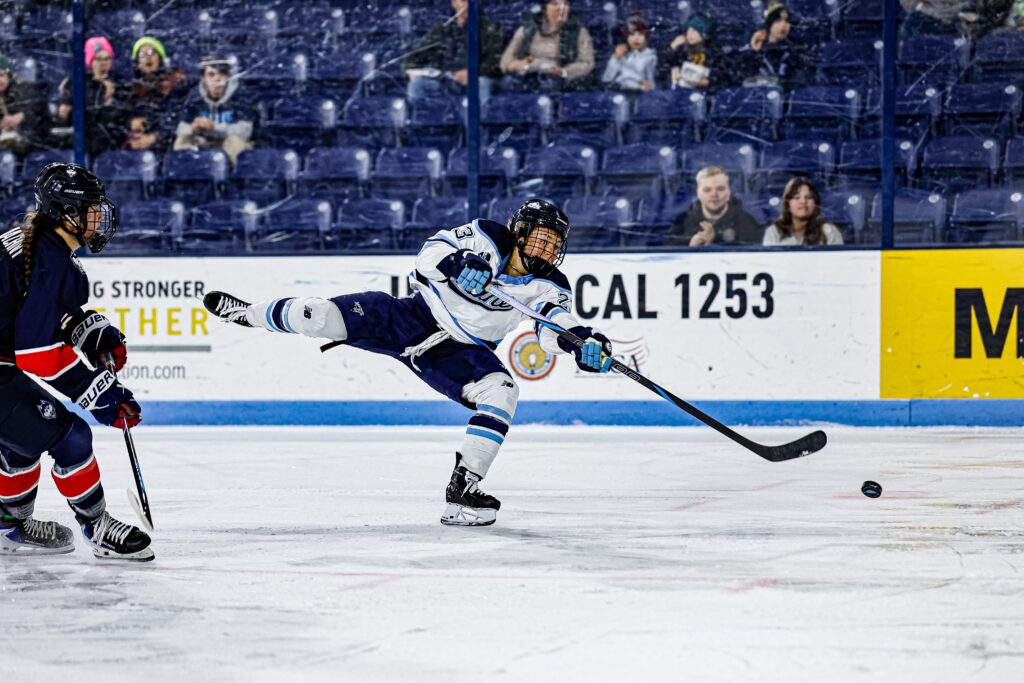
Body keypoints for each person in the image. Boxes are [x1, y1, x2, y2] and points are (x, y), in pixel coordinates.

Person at [202, 199, 614, 527]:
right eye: (542, 239)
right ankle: (248, 314)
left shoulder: (551, 286)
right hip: (410, 317)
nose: (548, 250)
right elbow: (430, 253)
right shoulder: (487, 235)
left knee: (503, 392)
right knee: (319, 314)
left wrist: (582, 344)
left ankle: (463, 492)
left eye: (555, 245)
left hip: (459, 353)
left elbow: (553, 326)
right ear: (519, 233)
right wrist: (456, 263)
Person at [0, 163, 153, 561]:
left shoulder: (35, 244)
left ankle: (9, 526)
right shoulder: (51, 261)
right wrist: (98, 393)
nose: (100, 218)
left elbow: (30, 318)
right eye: (91, 210)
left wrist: (87, 329)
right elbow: (36, 353)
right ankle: (97, 526)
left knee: (24, 436)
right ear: (66, 213)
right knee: (71, 437)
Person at [401, 0, 504, 104]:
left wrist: (473, 72)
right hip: (446, 80)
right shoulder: (442, 29)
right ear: (454, 3)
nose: (468, 4)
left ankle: (482, 113)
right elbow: (411, 58)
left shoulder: (490, 27)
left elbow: (495, 61)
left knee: (481, 83)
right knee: (418, 85)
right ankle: (414, 113)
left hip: (477, 78)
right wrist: (417, 72)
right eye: (463, 1)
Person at [173, 55, 255, 166]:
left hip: (228, 140)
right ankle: (187, 175)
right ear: (203, 78)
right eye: (211, 75)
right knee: (182, 140)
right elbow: (180, 128)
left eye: (222, 74)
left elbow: (246, 131)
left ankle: (237, 176)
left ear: (228, 76)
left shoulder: (240, 94)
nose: (217, 79)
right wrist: (192, 128)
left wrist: (214, 127)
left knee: (235, 142)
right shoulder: (195, 96)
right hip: (204, 140)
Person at [500, 0, 595, 93]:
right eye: (554, 3)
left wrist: (564, 71)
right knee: (509, 83)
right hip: (528, 67)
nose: (560, 8)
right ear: (545, 8)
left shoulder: (579, 31)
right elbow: (506, 60)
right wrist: (514, 65)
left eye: (565, 4)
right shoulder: (527, 29)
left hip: (557, 73)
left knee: (549, 85)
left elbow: (587, 62)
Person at [56, 36, 126, 156]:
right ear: (90, 62)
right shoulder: (76, 83)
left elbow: (121, 118)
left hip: (111, 143)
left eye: (107, 58)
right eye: (98, 59)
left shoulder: (120, 83)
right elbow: (68, 116)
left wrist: (109, 100)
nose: (103, 63)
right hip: (84, 141)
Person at [665, 166, 762, 247]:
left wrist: (712, 245)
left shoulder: (747, 223)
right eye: (707, 190)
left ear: (729, 192)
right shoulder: (682, 223)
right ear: (698, 193)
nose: (714, 194)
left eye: (720, 189)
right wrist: (692, 248)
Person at [125, 36, 186, 153]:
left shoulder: (175, 84)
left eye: (151, 52)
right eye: (142, 55)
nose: (147, 57)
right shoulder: (131, 89)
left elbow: (175, 116)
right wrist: (131, 123)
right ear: (138, 63)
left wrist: (154, 136)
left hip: (168, 144)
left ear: (160, 57)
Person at [740, 3, 811, 90]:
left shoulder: (796, 49)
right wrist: (754, 51)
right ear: (770, 25)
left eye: (787, 22)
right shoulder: (756, 46)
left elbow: (801, 78)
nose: (783, 25)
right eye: (778, 21)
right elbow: (744, 74)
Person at [762, 177, 844, 246]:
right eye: (797, 197)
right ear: (787, 204)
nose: (803, 202)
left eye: (808, 197)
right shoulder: (774, 232)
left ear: (815, 203)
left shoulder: (829, 232)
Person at [0, 55, 50, 156]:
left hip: (32, 149)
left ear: (9, 76)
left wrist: (21, 116)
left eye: (1, 75)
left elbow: (39, 106)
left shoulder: (25, 88)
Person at [602, 12, 657, 93]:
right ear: (626, 37)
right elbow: (607, 79)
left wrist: (645, 85)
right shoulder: (621, 53)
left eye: (641, 34)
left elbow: (652, 85)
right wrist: (616, 58)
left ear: (646, 37)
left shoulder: (650, 56)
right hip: (618, 94)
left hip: (640, 94)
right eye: (632, 34)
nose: (636, 38)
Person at [661, 12, 714, 90]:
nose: (690, 34)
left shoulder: (712, 53)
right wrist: (672, 47)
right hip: (679, 91)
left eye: (695, 31)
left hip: (702, 93)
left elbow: (719, 77)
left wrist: (707, 82)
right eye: (689, 30)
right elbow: (662, 68)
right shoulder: (681, 50)